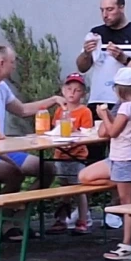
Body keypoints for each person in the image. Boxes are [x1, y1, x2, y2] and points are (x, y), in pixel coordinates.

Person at [0, 45, 63, 241]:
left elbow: (22, 110)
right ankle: (7, 225)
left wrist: (53, 100)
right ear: (1, 63)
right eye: (13, 62)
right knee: (12, 171)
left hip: (3, 148)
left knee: (47, 169)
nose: (14, 67)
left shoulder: (2, 88)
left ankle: (20, 214)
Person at [81, 68, 131, 261]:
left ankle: (127, 245)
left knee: (128, 205)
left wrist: (103, 116)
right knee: (85, 176)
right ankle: (116, 193)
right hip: (122, 158)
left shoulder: (127, 108)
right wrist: (109, 114)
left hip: (125, 158)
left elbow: (112, 132)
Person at [76, 0, 131, 113]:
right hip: (98, 99)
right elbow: (81, 68)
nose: (105, 15)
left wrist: (125, 59)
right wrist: (87, 54)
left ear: (122, 7)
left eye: (109, 9)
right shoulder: (96, 33)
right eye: (102, 10)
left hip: (126, 101)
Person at [48, 73, 96, 235]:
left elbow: (88, 133)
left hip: (77, 156)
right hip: (60, 155)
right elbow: (55, 129)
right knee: (64, 188)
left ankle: (83, 219)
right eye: (69, 89)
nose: (72, 93)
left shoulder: (84, 111)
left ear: (82, 93)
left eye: (77, 90)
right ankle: (62, 218)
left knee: (79, 189)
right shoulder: (60, 110)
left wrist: (74, 132)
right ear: (62, 90)